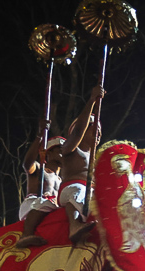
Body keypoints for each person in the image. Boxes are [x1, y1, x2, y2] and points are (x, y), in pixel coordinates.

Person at [51, 86, 104, 243]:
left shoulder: (95, 158)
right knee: (78, 192)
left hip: (89, 191)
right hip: (71, 189)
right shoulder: (71, 148)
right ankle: (74, 225)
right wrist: (92, 101)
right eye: (93, 130)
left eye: (100, 133)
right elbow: (79, 130)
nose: (97, 134)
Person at [15, 130, 63, 248]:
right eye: (60, 151)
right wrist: (39, 136)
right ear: (49, 153)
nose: (64, 154)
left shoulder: (62, 180)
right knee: (44, 203)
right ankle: (26, 234)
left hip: (49, 209)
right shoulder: (39, 169)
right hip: (33, 205)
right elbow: (26, 164)